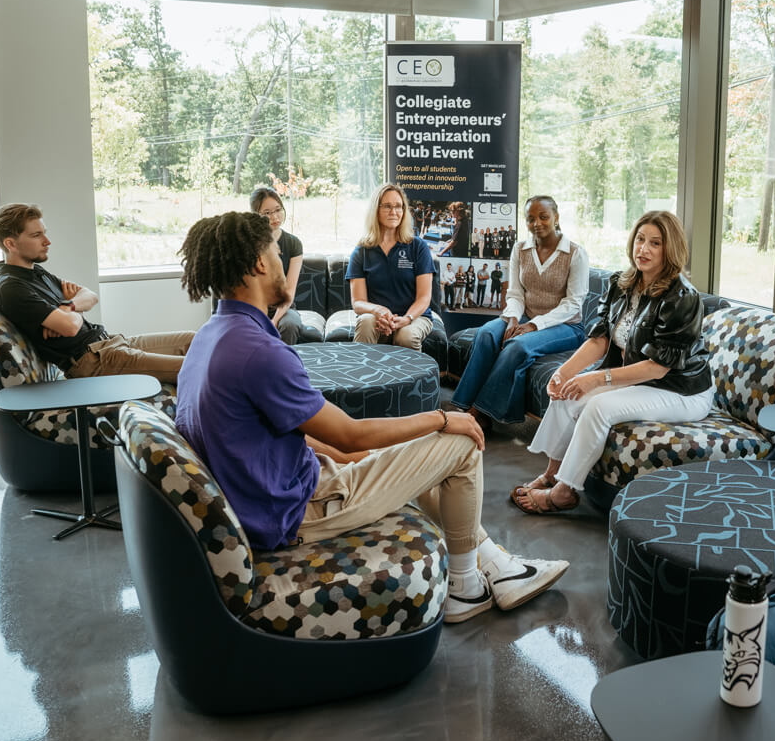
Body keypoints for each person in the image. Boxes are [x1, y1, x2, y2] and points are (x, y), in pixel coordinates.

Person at [174, 211, 569, 623]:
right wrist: (441, 419)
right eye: (274, 251)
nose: (279, 260)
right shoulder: (257, 351)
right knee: (462, 442)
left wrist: (351, 457)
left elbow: (273, 433)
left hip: (277, 492)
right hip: (302, 509)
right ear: (258, 263)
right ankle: (466, 589)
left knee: (422, 455)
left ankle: (497, 567)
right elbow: (350, 434)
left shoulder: (212, 336)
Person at [512, 210, 711, 513]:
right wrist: (564, 374)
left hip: (680, 389)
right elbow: (600, 339)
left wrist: (596, 378)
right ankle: (552, 474)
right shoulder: (622, 283)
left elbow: (658, 367)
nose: (643, 249)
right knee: (568, 392)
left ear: (669, 250)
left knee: (598, 406)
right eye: (640, 239)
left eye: (655, 243)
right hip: (639, 378)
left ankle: (563, 492)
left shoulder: (682, 297)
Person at [0, 202, 193, 383]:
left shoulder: (35, 272)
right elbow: (70, 327)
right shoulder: (11, 287)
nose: (47, 241)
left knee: (195, 340)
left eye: (44, 232)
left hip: (109, 344)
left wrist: (68, 307)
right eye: (36, 235)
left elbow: (90, 295)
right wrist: (71, 313)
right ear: (10, 244)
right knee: (197, 369)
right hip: (93, 362)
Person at [449, 196, 590, 432]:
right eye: (531, 219)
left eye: (544, 217)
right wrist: (513, 318)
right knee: (486, 334)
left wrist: (534, 325)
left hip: (566, 326)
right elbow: (515, 293)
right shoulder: (520, 249)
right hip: (523, 316)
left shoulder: (576, 253)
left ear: (556, 217)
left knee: (517, 346)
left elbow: (573, 304)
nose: (537, 223)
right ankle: (464, 406)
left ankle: (481, 412)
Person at [347, 183, 436, 351]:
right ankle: (360, 375)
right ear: (375, 210)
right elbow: (358, 302)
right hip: (377, 317)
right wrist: (378, 311)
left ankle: (411, 378)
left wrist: (407, 319)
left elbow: (424, 297)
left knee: (406, 336)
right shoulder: (361, 251)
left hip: (414, 317)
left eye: (398, 206)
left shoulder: (418, 247)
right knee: (366, 322)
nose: (394, 212)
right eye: (387, 206)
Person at [250, 187, 304, 345]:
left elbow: (289, 291)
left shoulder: (293, 243)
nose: (274, 217)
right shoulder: (248, 243)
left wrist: (274, 321)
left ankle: (286, 367)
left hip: (285, 308)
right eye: (267, 213)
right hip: (255, 307)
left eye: (278, 210)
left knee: (289, 325)